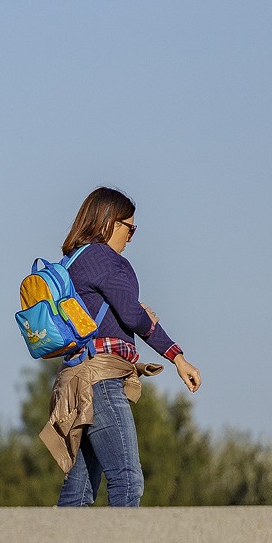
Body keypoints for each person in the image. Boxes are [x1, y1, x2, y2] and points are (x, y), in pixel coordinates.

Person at [40, 186, 202, 507]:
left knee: (80, 488)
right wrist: (177, 357)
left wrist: (135, 314)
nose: (131, 237)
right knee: (127, 478)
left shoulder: (72, 260)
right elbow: (131, 314)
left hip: (74, 380)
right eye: (130, 228)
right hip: (100, 379)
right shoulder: (103, 257)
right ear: (110, 223)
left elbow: (119, 314)